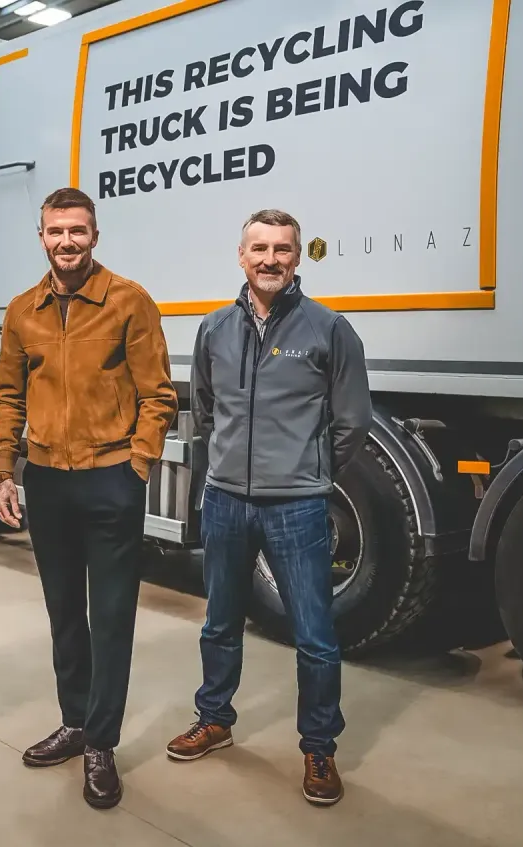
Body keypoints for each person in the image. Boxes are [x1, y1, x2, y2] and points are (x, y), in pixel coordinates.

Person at [166, 209, 371, 806]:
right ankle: (215, 719)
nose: (270, 259)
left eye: (282, 249)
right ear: (241, 256)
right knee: (220, 622)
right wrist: (229, 465)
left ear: (297, 257)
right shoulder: (214, 328)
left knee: (315, 635)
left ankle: (319, 748)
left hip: (297, 506)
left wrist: (308, 473)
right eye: (259, 248)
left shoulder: (329, 329)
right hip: (226, 500)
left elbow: (351, 422)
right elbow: (205, 408)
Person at [0, 187, 178, 809]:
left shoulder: (129, 301)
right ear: (41, 237)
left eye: (77, 230)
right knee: (65, 612)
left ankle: (101, 742)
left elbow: (158, 395)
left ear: (95, 235)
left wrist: (137, 465)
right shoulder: (23, 311)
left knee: (113, 616)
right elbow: (9, 397)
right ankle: (75, 722)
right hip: (47, 480)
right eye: (55, 231)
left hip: (110, 478)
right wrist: (5, 470)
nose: (66, 241)